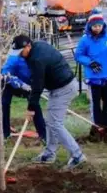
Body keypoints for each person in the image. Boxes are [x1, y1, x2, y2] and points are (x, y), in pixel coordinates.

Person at [11, 34, 86, 169]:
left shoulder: (37, 59)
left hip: (64, 88)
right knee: (51, 121)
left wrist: (31, 108)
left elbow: (37, 86)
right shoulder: (37, 47)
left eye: (20, 51)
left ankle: (77, 155)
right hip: (58, 87)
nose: (19, 55)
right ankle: (50, 153)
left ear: (28, 46)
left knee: (55, 123)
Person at [74, 13, 107, 129]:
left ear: (103, 25)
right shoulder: (85, 40)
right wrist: (91, 63)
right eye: (95, 26)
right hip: (94, 77)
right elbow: (78, 55)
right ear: (90, 26)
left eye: (99, 26)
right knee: (95, 104)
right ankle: (97, 127)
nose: (97, 28)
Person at [1, 54, 46, 143]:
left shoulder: (38, 60)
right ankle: (5, 134)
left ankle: (43, 135)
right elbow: (5, 74)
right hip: (10, 84)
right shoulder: (14, 59)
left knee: (34, 106)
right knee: (4, 104)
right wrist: (21, 84)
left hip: (30, 86)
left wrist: (33, 88)